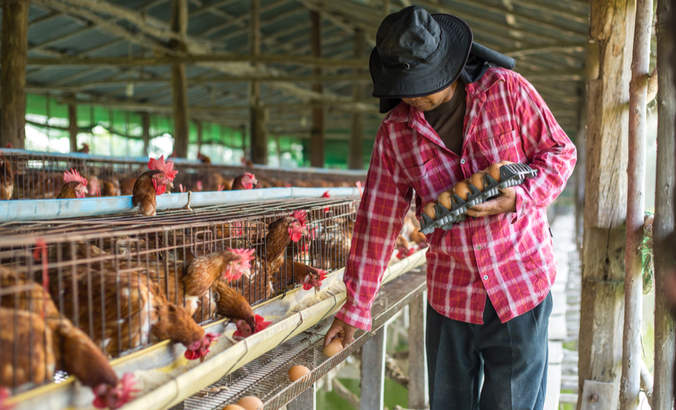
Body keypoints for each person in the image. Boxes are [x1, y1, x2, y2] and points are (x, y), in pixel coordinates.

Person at [323, 5, 577, 410]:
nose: (414, 96)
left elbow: (561, 153)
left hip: (520, 285)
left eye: (423, 85)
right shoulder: (395, 134)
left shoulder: (506, 91)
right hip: (450, 294)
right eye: (405, 86)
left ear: (449, 67)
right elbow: (378, 222)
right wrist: (355, 307)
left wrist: (521, 197)